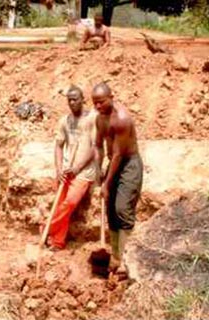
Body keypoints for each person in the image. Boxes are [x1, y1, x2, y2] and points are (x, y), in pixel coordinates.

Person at [92, 82, 143, 277]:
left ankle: (128, 260)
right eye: (94, 103)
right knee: (111, 210)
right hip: (113, 163)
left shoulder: (122, 119)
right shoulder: (99, 119)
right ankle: (115, 256)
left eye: (101, 102)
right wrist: (98, 171)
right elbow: (98, 146)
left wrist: (106, 183)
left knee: (123, 209)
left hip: (128, 164)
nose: (97, 107)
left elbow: (118, 154)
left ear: (111, 98)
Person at [45, 85, 97, 250]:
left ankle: (46, 229)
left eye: (75, 99)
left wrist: (77, 167)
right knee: (60, 202)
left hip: (85, 172)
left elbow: (95, 148)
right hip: (67, 170)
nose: (72, 102)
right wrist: (59, 169)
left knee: (69, 203)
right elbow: (58, 146)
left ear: (83, 100)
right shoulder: (64, 121)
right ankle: (58, 241)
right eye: (70, 100)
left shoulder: (92, 119)